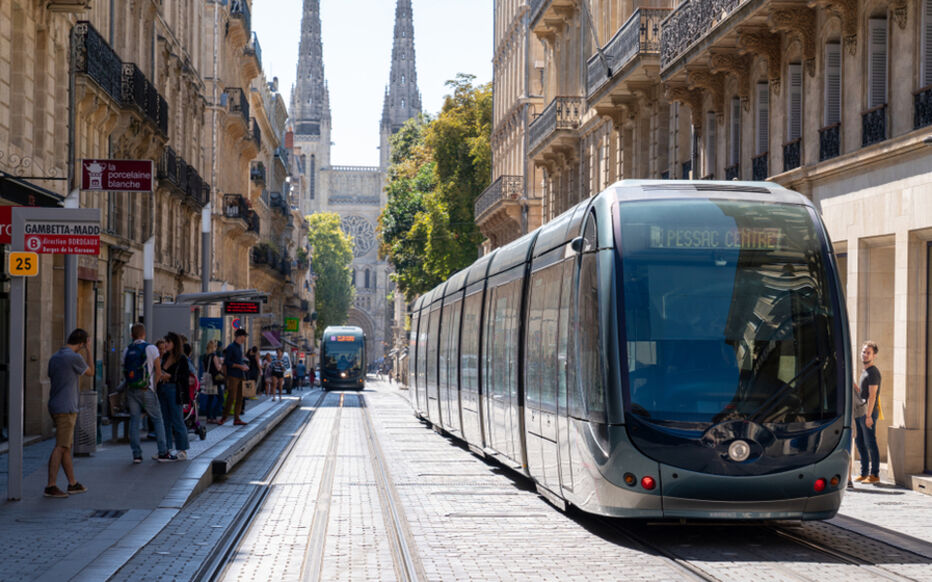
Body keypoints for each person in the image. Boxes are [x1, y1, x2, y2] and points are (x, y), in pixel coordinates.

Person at [44, 329, 93, 498]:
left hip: (55, 404)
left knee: (66, 446)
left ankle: (72, 483)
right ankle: (51, 485)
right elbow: (90, 372)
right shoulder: (74, 357)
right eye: (85, 344)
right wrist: (89, 351)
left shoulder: (55, 357)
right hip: (67, 407)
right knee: (60, 446)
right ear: (81, 343)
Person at [123, 324, 175, 464]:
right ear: (144, 334)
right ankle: (163, 452)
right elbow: (158, 371)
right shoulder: (151, 348)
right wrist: (154, 387)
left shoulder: (127, 350)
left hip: (132, 389)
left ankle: (137, 455)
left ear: (132, 335)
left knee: (134, 421)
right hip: (147, 389)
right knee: (157, 419)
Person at [157, 332, 191, 459]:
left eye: (168, 342)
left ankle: (182, 449)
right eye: (165, 341)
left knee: (177, 419)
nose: (165, 344)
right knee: (164, 420)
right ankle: (166, 449)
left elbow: (184, 376)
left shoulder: (181, 358)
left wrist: (170, 376)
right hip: (163, 389)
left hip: (174, 390)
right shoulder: (165, 356)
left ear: (175, 344)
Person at [853, 341, 882, 484]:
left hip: (867, 413)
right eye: (863, 352)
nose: (865, 354)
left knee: (870, 442)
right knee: (860, 442)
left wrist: (869, 416)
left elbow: (872, 395)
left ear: (874, 355)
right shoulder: (865, 371)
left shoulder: (873, 372)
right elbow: (862, 393)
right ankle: (864, 473)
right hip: (860, 411)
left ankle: (875, 474)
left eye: (868, 352)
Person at [223, 329, 250, 425]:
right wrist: (240, 366)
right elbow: (227, 362)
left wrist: (244, 365)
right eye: (244, 336)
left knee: (240, 398)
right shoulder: (231, 347)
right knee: (231, 397)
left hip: (240, 375)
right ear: (239, 336)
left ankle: (237, 418)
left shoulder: (239, 347)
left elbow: (239, 360)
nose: (245, 338)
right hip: (233, 375)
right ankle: (224, 417)